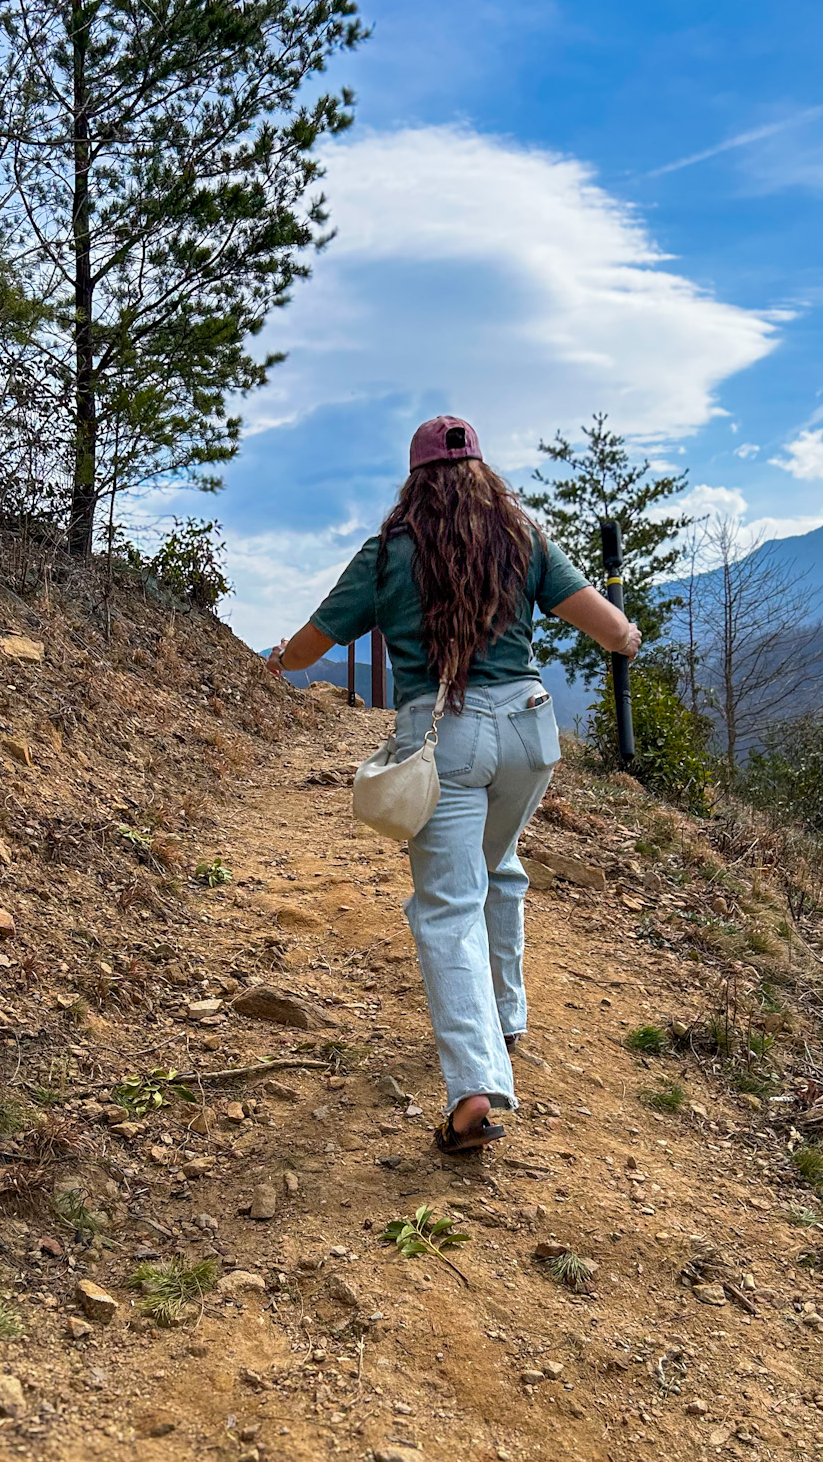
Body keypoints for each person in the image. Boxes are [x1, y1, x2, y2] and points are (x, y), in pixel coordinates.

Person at [266, 415, 640, 1154]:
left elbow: (314, 641)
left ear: (414, 479)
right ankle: (506, 1018)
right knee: (498, 863)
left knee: (446, 905)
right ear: (482, 471)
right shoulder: (522, 538)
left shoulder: (386, 554)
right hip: (532, 732)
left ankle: (474, 1085)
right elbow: (609, 628)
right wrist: (627, 638)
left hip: (446, 739)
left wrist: (279, 661)